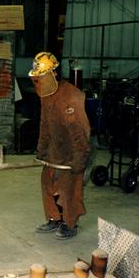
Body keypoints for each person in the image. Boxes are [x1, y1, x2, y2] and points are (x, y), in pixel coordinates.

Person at [30, 52, 91, 240]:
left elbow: (79, 132)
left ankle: (70, 224)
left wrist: (79, 159)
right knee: (47, 183)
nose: (38, 82)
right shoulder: (46, 94)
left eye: (41, 77)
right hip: (55, 146)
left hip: (73, 149)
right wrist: (42, 149)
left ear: (54, 74)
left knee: (68, 188)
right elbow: (45, 123)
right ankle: (54, 218)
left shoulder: (71, 97)